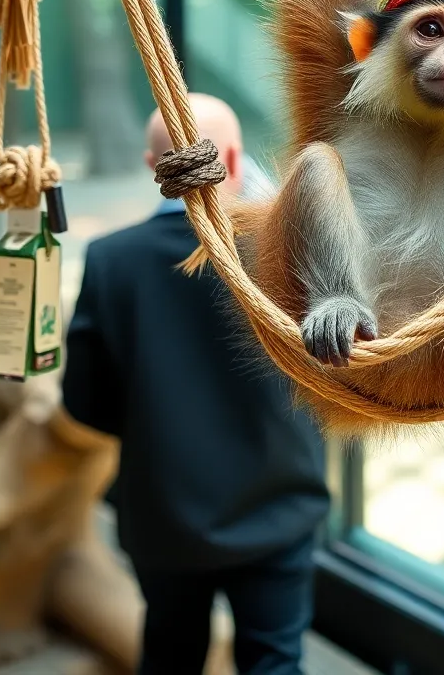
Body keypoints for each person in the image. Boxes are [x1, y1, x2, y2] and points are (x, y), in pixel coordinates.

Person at [61, 93, 330, 675]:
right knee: (275, 660)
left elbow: (84, 404)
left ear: (150, 166)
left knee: (170, 655)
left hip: (165, 515)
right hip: (279, 509)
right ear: (235, 160)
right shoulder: (287, 252)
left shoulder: (111, 261)